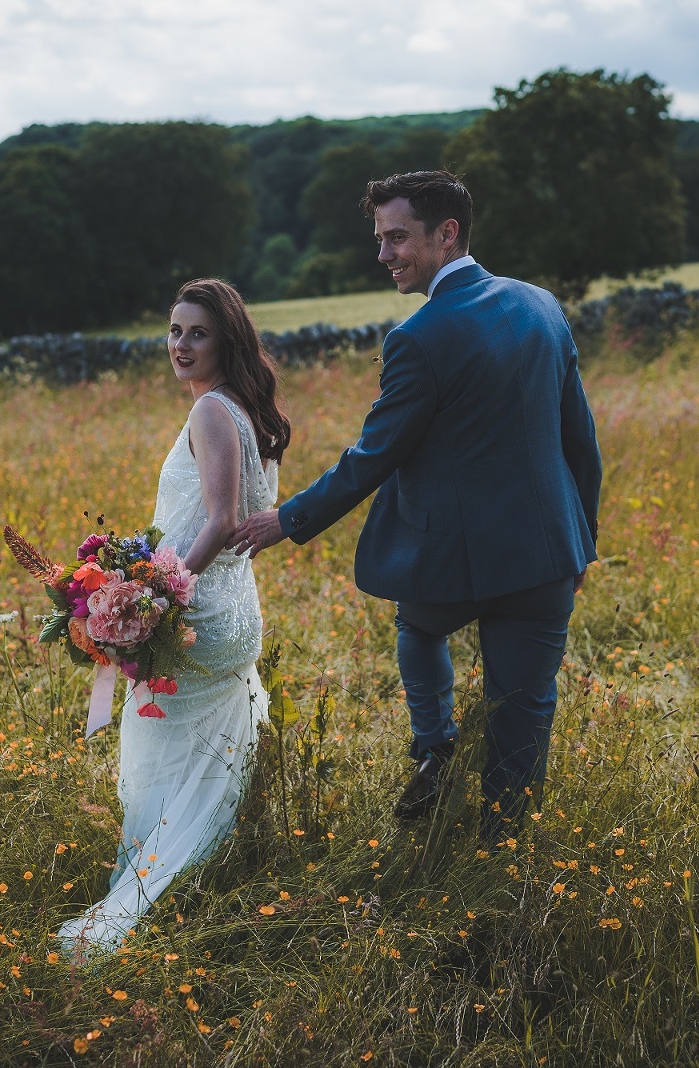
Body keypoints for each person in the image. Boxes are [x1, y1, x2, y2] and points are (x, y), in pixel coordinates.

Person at [230, 171, 601, 841]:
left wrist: (286, 519)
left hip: (458, 565)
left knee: (420, 627)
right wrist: (584, 543)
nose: (384, 254)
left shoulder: (420, 338)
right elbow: (582, 438)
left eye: (397, 237)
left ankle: (435, 748)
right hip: (548, 558)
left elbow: (373, 456)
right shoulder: (543, 306)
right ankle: (500, 859)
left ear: (447, 233)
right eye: (380, 238)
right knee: (524, 718)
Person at [59, 278, 288, 951]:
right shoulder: (246, 408)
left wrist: (157, 595)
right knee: (208, 760)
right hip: (236, 610)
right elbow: (240, 525)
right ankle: (212, 877)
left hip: (198, 616)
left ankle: (149, 895)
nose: (181, 345)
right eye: (174, 331)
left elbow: (220, 520)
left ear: (228, 339)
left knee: (157, 752)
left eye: (199, 333)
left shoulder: (213, 412)